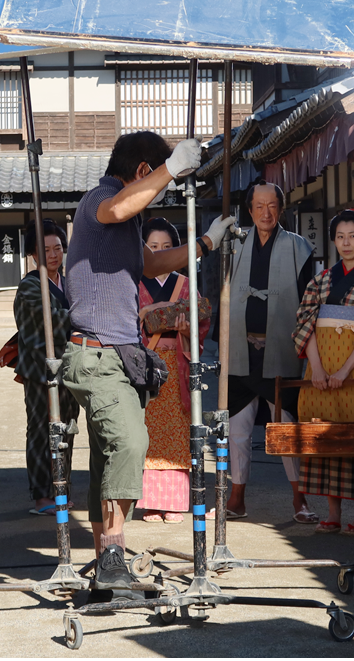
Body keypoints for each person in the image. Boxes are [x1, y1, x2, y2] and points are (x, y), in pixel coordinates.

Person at [61, 131, 236, 597]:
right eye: (157, 176)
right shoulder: (101, 199)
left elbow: (151, 265)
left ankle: (104, 559)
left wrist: (205, 245)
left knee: (107, 455)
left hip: (106, 354)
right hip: (99, 353)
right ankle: (115, 555)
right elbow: (118, 207)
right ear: (143, 172)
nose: (163, 187)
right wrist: (172, 167)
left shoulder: (121, 224)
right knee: (133, 442)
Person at [292, 209, 354, 536]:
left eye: (353, 236)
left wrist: (347, 369)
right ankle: (331, 511)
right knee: (324, 439)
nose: (346, 243)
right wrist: (317, 369)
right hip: (319, 371)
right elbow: (303, 325)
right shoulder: (320, 281)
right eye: (340, 237)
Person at [226, 182, 318, 523]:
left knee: (287, 426)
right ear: (249, 210)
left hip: (280, 349)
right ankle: (236, 497)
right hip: (240, 350)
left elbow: (310, 304)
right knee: (237, 428)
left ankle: (300, 498)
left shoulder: (299, 247)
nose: (266, 213)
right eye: (259, 206)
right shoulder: (232, 247)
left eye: (272, 205)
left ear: (281, 208)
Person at [135, 218, 210, 524]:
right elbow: (127, 322)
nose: (160, 252)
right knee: (147, 433)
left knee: (179, 431)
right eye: (153, 247)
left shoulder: (185, 284)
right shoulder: (135, 282)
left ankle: (175, 502)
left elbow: (201, 325)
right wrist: (146, 314)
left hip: (177, 361)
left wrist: (188, 328)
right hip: (144, 362)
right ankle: (151, 502)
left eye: (167, 247)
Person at [14, 218, 78, 517]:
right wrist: (82, 318)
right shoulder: (29, 286)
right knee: (41, 430)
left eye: (58, 248)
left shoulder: (68, 282)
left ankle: (61, 489)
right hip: (40, 371)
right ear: (34, 254)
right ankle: (41, 496)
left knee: (67, 429)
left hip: (68, 369)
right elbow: (50, 322)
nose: (53, 255)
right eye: (46, 250)